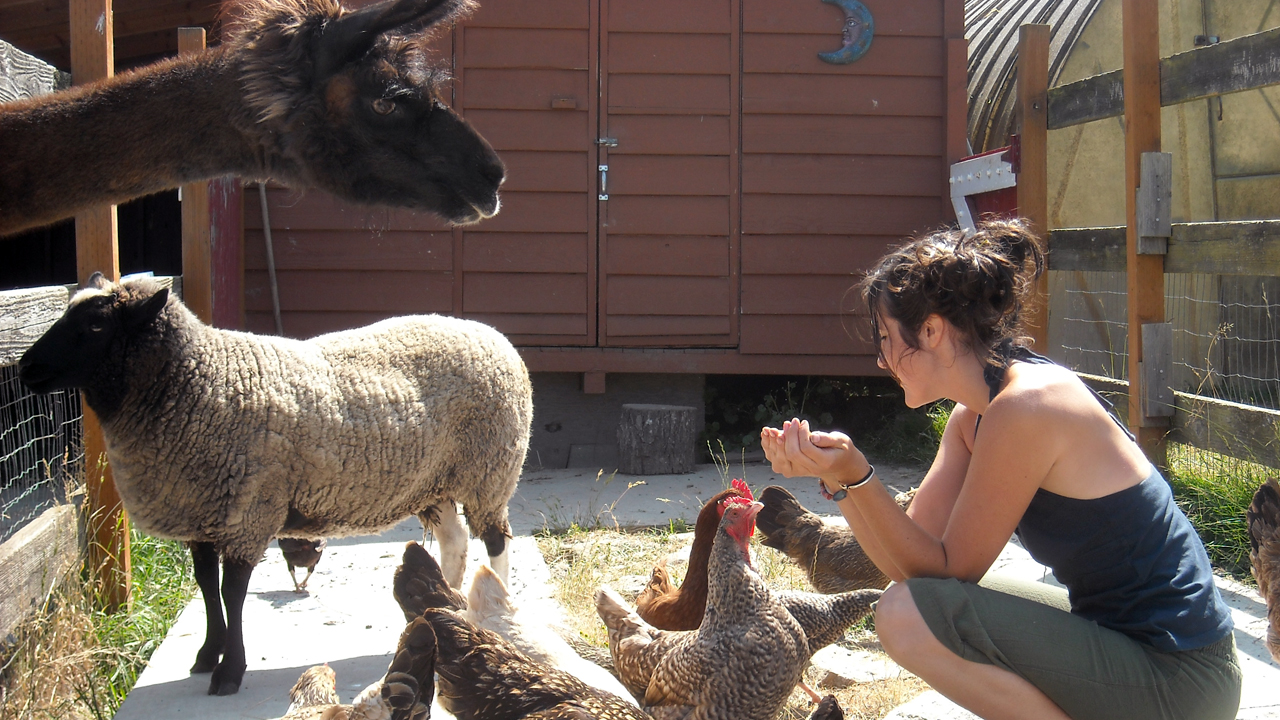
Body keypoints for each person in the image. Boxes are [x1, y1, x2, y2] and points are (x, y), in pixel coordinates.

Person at [760, 218, 1241, 720]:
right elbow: (903, 563)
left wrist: (858, 475)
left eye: (884, 338)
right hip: (1124, 646)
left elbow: (948, 569)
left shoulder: (1026, 406)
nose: (881, 360)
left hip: (1181, 678)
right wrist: (841, 480)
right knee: (909, 601)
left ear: (931, 330)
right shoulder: (975, 419)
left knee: (905, 615)